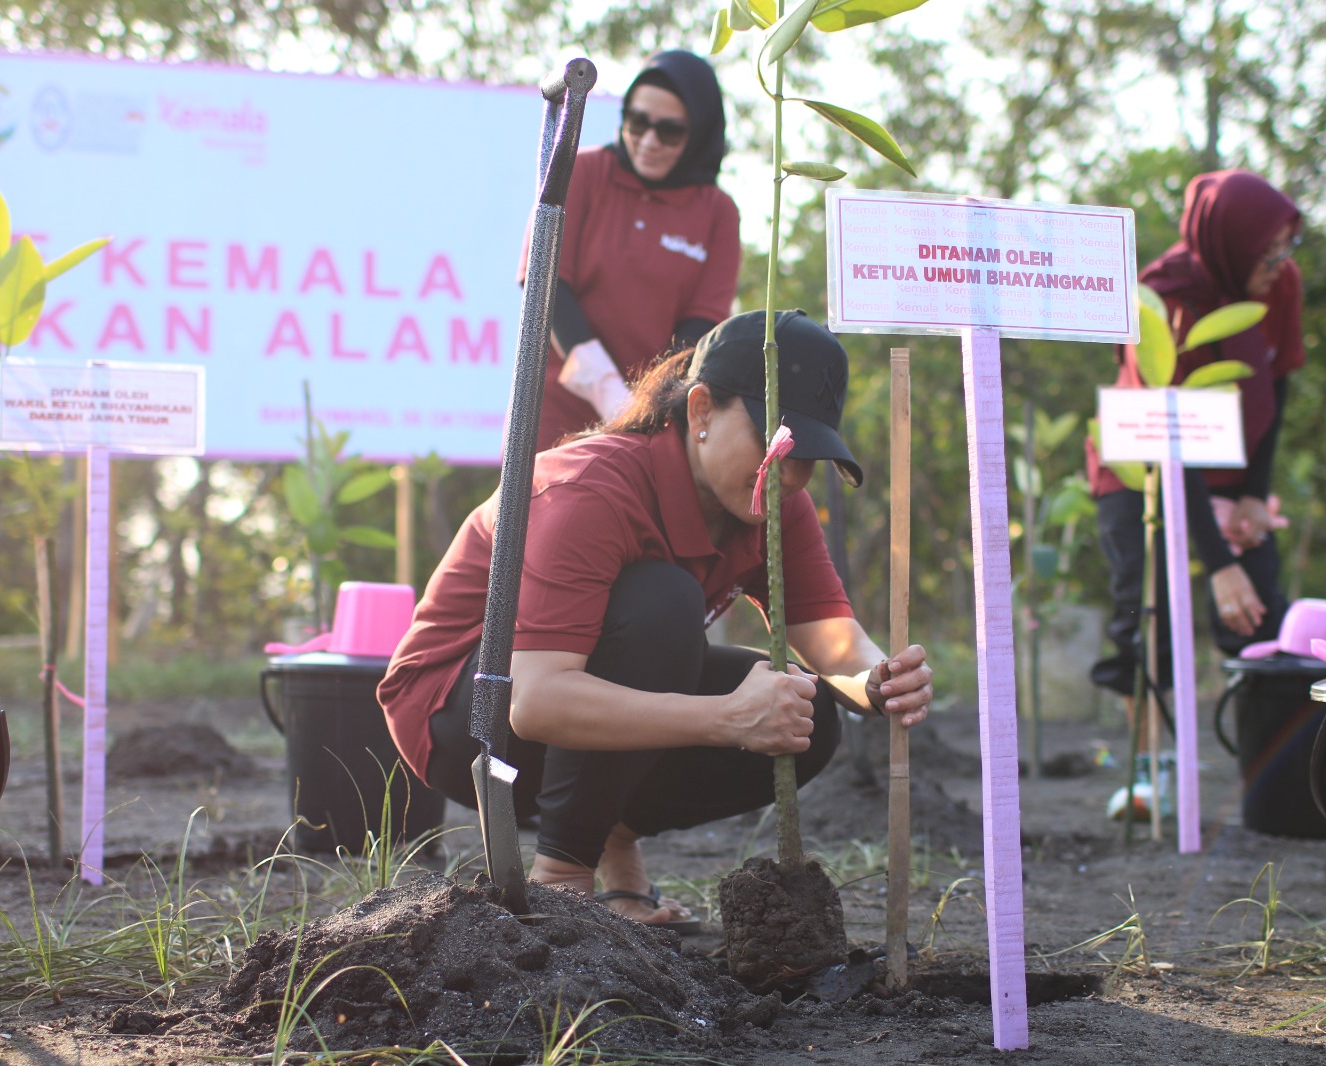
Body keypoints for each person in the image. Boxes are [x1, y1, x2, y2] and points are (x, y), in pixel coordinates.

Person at [379, 309, 933, 929]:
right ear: (700, 412)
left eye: (808, 457)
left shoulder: (776, 502)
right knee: (661, 606)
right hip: (463, 716)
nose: (790, 476)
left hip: (573, 705)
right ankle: (560, 884)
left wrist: (876, 681)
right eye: (774, 446)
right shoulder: (588, 490)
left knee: (810, 710)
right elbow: (533, 703)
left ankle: (611, 840)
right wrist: (727, 719)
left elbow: (831, 642)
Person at [1085, 169, 1305, 819]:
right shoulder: (1163, 298)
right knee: (1147, 613)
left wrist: (1253, 501)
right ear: (1230, 243)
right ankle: (1150, 777)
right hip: (1142, 468)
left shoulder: (1278, 285)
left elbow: (1279, 382)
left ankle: (1280, 779)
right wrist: (1219, 564)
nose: (1280, 265)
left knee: (1259, 612)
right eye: (1270, 253)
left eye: (1287, 249)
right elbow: (1162, 435)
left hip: (1231, 459)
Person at [519, 49, 742, 452]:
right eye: (638, 123)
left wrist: (645, 407)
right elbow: (547, 286)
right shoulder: (580, 172)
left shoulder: (718, 212)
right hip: (553, 415)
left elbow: (700, 324)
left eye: (670, 131)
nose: (649, 142)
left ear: (700, 132)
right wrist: (607, 391)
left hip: (652, 426)